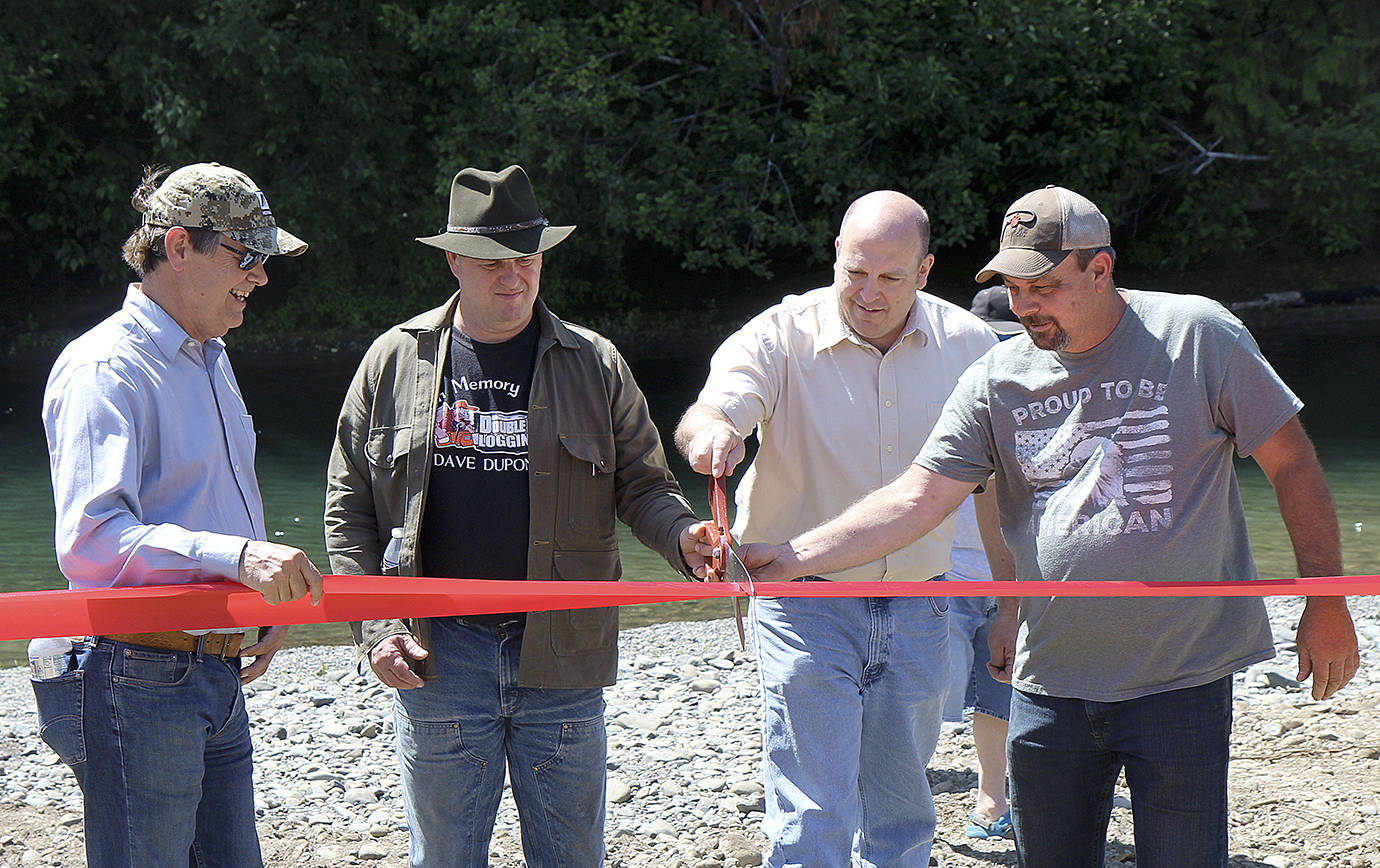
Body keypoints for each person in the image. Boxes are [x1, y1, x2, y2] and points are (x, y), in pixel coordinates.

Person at [743, 185, 1361, 867]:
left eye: (1042, 286)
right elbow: (918, 498)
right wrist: (792, 556)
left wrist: (1326, 601)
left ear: (1100, 269)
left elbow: (1294, 464)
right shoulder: (996, 377)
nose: (1024, 306)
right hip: (1048, 684)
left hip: (1179, 680)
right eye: (1012, 286)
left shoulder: (1197, 336)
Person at [324, 165, 716, 868]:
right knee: (444, 858)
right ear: (454, 260)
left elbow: (647, 488)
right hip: (436, 657)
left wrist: (686, 537)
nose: (514, 278)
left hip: (563, 651)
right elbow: (348, 509)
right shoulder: (393, 360)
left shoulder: (595, 363)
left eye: (527, 259)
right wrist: (376, 630)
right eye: (493, 262)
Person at [675, 190, 1008, 867]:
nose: (869, 293)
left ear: (925, 270)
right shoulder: (778, 334)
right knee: (812, 816)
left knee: (901, 814)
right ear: (835, 256)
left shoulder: (972, 345)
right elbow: (712, 408)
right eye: (855, 272)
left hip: (923, 605)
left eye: (890, 277)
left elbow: (996, 490)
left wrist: (1010, 602)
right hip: (803, 603)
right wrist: (712, 434)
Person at [38, 162, 325, 867]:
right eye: (246, 256)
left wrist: (259, 601)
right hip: (135, 672)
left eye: (263, 259)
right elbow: (93, 543)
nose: (260, 275)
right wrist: (240, 561)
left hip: (211, 668)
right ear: (176, 247)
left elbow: (215, 505)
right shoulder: (104, 368)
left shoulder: (211, 357)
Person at [939, 286, 1023, 842]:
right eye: (993, 342)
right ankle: (884, 798)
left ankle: (994, 796)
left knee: (1002, 690)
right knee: (919, 698)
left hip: (1011, 578)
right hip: (939, 576)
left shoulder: (1045, 399)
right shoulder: (951, 396)